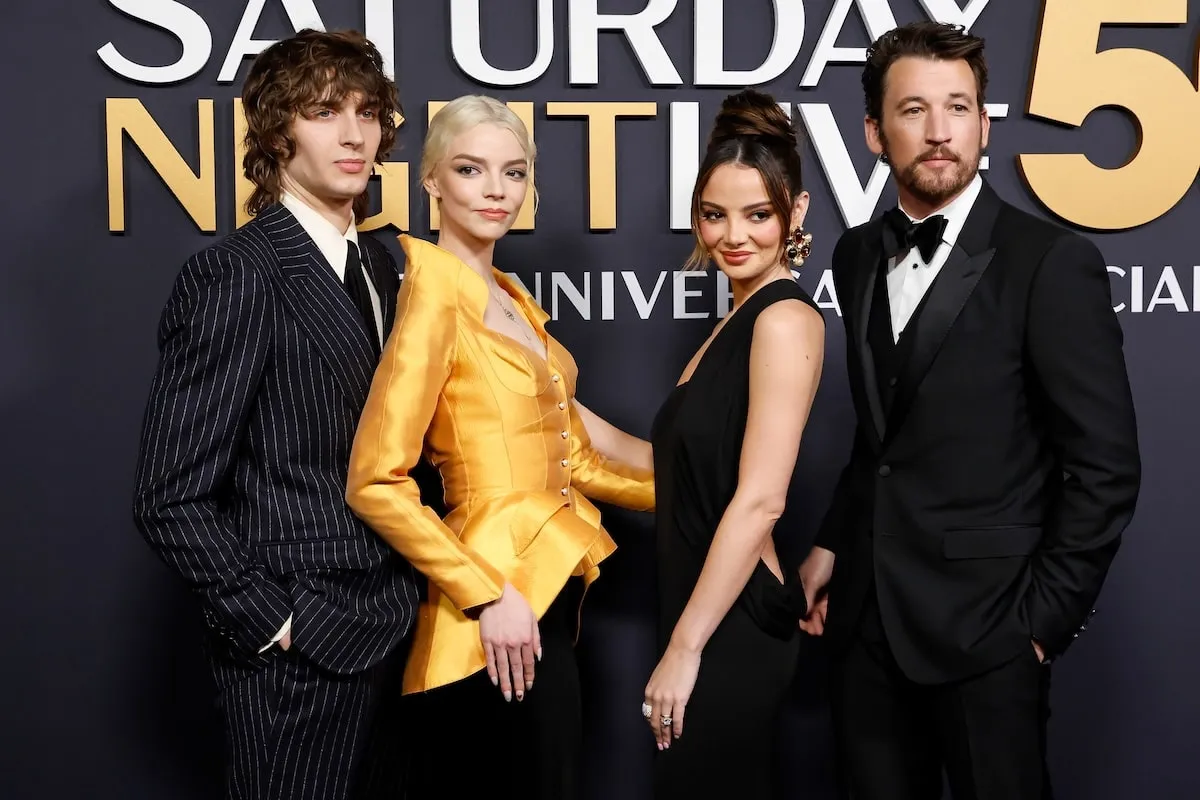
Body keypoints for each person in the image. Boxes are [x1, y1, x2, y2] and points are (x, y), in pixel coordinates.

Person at [797, 21, 1141, 800]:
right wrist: (830, 547)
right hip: (867, 630)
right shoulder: (855, 254)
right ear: (875, 133)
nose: (940, 130)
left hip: (991, 634)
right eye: (914, 110)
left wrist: (1037, 628)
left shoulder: (1050, 261)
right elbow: (881, 438)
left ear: (985, 125)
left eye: (958, 108)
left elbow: (1106, 467)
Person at [131, 29, 418, 800]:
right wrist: (272, 623)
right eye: (325, 111)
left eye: (368, 111)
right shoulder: (237, 274)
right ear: (275, 131)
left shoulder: (391, 271)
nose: (355, 133)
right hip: (299, 651)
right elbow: (169, 496)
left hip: (405, 634)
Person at [344, 94, 655, 800]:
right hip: (490, 613)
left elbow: (575, 459)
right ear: (431, 182)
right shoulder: (431, 299)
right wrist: (488, 596)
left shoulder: (511, 298)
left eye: (513, 173)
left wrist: (708, 482)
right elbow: (374, 480)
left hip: (541, 596)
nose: (494, 190)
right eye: (470, 169)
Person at [643, 88, 826, 799]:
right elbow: (675, 468)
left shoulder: (783, 321)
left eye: (758, 215)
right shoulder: (736, 321)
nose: (733, 236)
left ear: (796, 214)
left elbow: (760, 500)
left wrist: (686, 648)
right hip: (699, 606)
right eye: (714, 215)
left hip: (731, 623)